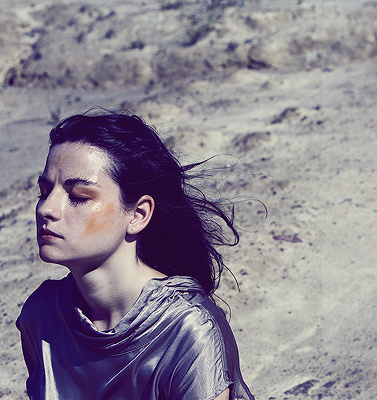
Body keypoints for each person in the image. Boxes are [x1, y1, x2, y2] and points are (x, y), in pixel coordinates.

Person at [16, 110, 255, 400]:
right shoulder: (41, 316)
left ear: (138, 214)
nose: (46, 209)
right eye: (44, 192)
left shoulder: (188, 331)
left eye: (78, 196)